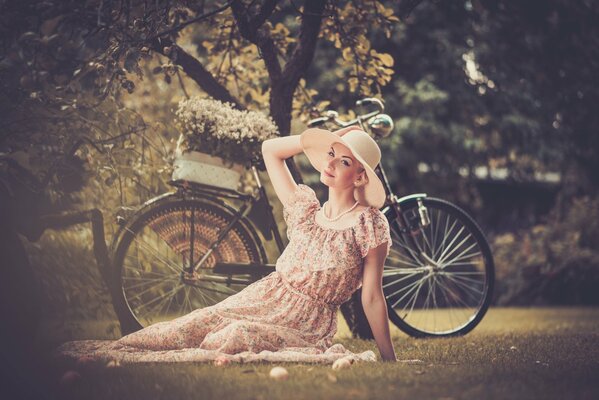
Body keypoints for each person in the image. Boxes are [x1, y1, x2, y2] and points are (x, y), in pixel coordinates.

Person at [53, 126, 396, 365]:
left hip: (307, 322)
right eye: (331, 154)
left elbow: (371, 296)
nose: (331, 163)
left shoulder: (369, 225)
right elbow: (271, 150)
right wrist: (323, 138)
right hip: (264, 296)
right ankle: (120, 351)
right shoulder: (306, 210)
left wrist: (389, 358)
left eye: (345, 161)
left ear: (361, 176)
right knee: (194, 323)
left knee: (235, 335)